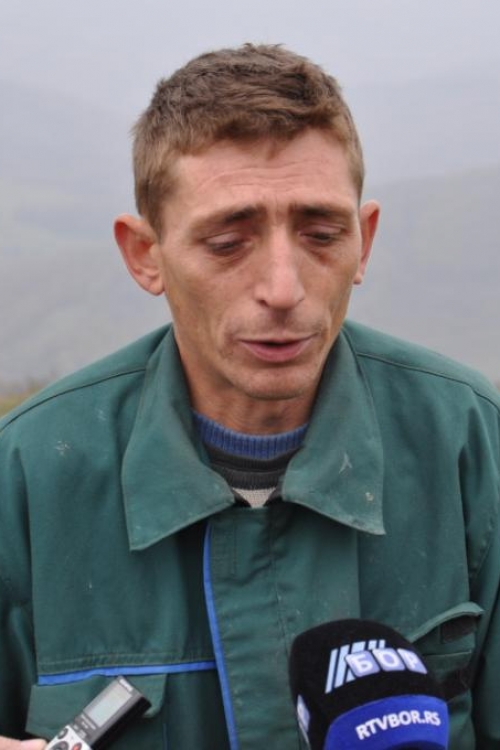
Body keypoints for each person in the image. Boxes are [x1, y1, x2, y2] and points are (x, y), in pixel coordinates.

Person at [0, 43, 499, 750]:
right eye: (228, 242)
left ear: (365, 241)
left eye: (321, 234)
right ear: (145, 254)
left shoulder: (472, 445)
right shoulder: (27, 478)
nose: (284, 289)